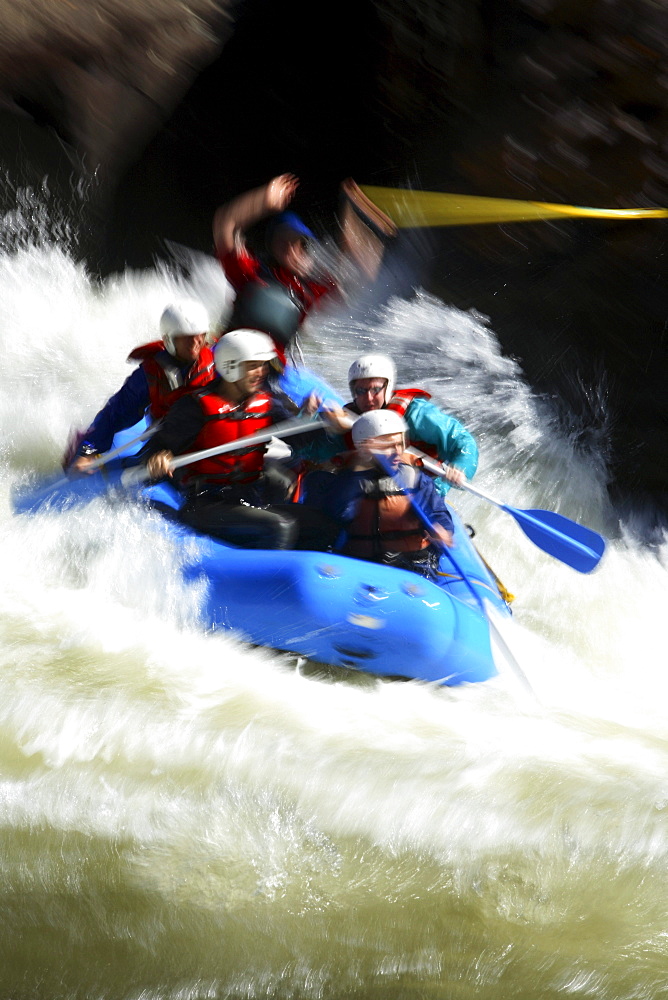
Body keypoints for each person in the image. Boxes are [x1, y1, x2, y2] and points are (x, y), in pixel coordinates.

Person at [141, 329, 341, 551]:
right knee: (280, 527)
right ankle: (263, 578)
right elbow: (156, 448)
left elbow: (304, 443)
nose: (262, 372)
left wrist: (330, 429)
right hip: (206, 503)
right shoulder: (195, 406)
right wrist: (159, 456)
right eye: (253, 366)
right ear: (230, 366)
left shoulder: (268, 404)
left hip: (249, 497)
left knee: (324, 527)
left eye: (263, 365)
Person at [67, 298, 215, 474]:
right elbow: (115, 413)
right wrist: (88, 451)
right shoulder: (149, 376)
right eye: (187, 338)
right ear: (169, 339)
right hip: (170, 440)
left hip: (211, 434)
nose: (196, 342)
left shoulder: (219, 361)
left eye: (200, 335)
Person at [299, 353, 479, 495]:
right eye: (361, 391)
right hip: (370, 485)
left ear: (388, 387)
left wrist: (458, 471)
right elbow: (311, 453)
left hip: (423, 487)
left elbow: (462, 441)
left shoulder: (416, 414)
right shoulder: (345, 418)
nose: (368, 398)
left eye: (376, 389)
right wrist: (308, 417)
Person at [306, 409, 454, 577]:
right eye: (388, 446)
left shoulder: (414, 479)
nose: (397, 451)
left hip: (413, 566)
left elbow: (438, 513)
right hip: (362, 564)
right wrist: (358, 468)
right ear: (365, 449)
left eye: (400, 444)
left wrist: (444, 530)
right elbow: (340, 513)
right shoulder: (348, 480)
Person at [213, 173, 337, 365]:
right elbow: (224, 224)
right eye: (282, 241)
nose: (289, 249)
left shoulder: (313, 289)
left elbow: (357, 283)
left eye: (296, 242)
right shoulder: (250, 272)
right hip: (229, 360)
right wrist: (263, 200)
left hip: (268, 370)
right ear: (271, 247)